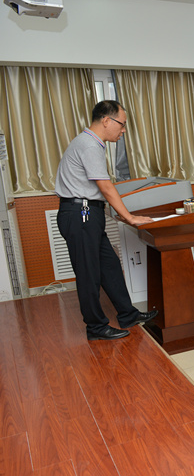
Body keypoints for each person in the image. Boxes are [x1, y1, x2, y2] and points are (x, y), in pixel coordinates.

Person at [54, 100, 157, 341]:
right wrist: (129, 217)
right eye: (122, 124)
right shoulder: (90, 145)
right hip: (81, 214)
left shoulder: (90, 142)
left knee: (109, 266)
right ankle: (96, 327)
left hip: (86, 214)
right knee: (88, 274)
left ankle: (128, 314)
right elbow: (106, 187)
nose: (124, 130)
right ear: (106, 120)